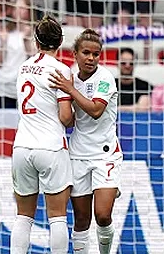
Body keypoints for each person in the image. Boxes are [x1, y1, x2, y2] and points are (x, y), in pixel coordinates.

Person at [48, 29, 121, 254]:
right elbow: (69, 120)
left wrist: (69, 90)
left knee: (102, 214)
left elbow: (96, 110)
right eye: (86, 53)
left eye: (96, 54)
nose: (91, 58)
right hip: (78, 153)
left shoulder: (105, 78)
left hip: (105, 153)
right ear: (75, 54)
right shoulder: (69, 76)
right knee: (81, 219)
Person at [10, 15, 74, 254]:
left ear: (36, 41)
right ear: (60, 42)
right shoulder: (61, 70)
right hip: (50, 146)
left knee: (23, 216)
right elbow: (66, 117)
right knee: (57, 217)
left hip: (22, 146)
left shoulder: (23, 67)